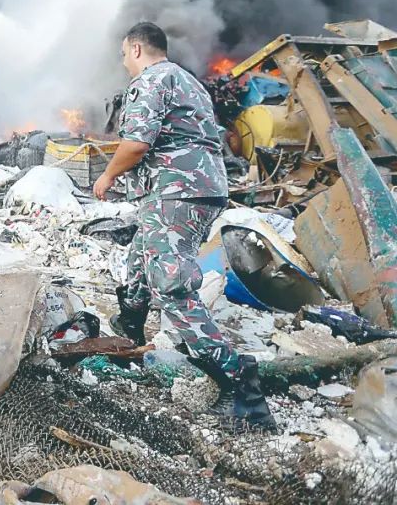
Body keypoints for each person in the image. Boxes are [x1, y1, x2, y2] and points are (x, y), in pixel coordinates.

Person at [93, 21, 275, 430]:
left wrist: (107, 177)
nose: (123, 63)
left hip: (176, 192)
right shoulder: (188, 81)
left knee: (170, 283)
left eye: (124, 54)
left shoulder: (150, 80)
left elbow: (137, 143)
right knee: (141, 259)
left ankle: (239, 384)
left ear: (137, 50)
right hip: (196, 188)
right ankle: (131, 329)